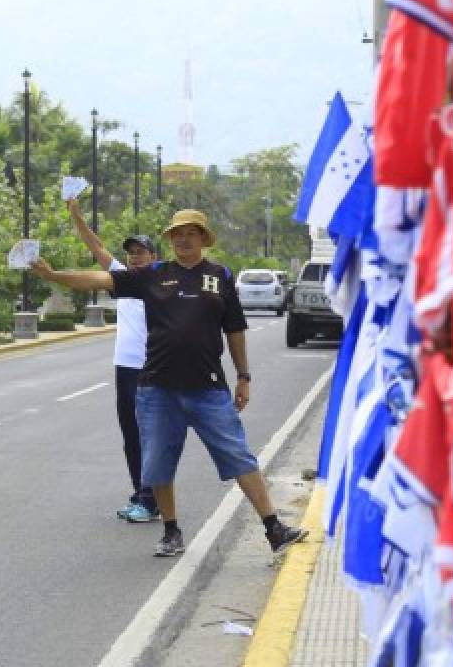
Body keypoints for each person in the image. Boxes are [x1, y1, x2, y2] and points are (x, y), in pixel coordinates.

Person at [32, 208, 308, 558]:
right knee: (158, 463)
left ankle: (274, 527)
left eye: (191, 233)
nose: (183, 238)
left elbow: (235, 329)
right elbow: (100, 279)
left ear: (203, 238)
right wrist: (54, 275)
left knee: (239, 456)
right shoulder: (154, 275)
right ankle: (171, 530)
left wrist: (243, 376)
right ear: (170, 239)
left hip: (208, 389)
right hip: (158, 389)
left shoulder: (220, 276)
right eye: (177, 233)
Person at [66, 197, 159, 523]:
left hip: (152, 366)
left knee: (149, 432)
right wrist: (77, 216)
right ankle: (141, 494)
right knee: (130, 433)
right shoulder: (121, 276)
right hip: (125, 366)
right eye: (131, 252)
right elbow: (96, 246)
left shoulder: (162, 281)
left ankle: (151, 499)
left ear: (154, 256)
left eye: (141, 252)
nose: (135, 257)